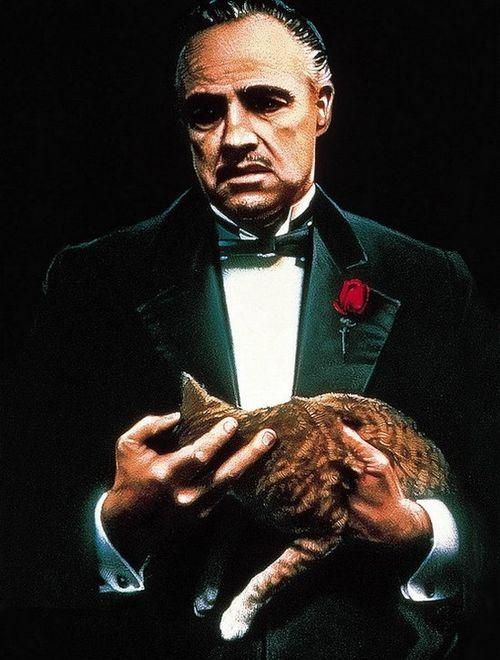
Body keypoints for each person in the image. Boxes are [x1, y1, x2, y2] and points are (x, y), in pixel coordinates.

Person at [5, 1, 498, 658]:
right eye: (205, 112)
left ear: (321, 105)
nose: (235, 136)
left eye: (266, 101)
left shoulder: (429, 279)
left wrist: (421, 533)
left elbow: (487, 502)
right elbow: (23, 518)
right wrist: (113, 523)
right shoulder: (91, 281)